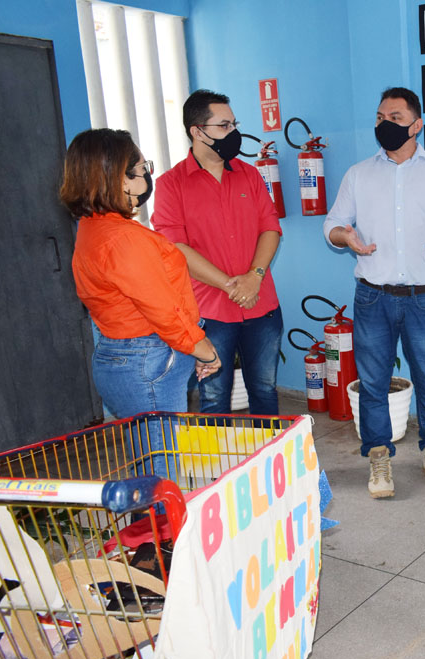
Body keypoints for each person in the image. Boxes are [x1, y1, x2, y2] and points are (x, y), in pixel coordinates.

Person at [323, 86, 425, 499]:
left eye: (394, 117)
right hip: (373, 296)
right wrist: (345, 237)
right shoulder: (359, 174)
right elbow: (333, 223)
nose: (384, 124)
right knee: (373, 382)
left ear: (417, 124)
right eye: (379, 117)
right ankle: (379, 457)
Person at [62, 128, 221, 479]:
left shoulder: (93, 228)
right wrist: (203, 349)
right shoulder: (122, 240)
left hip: (123, 354)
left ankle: (158, 526)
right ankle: (168, 532)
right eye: (140, 166)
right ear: (120, 179)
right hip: (147, 360)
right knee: (162, 472)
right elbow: (163, 310)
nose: (146, 173)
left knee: (149, 460)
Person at [152, 89, 283, 417]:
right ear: (197, 131)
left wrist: (253, 278)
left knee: (265, 392)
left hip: (261, 305)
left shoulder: (250, 175)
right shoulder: (171, 185)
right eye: (224, 126)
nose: (233, 133)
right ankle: (220, 470)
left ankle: (273, 465)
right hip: (209, 312)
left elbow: (270, 229)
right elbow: (177, 249)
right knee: (213, 400)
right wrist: (230, 286)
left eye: (233, 124)